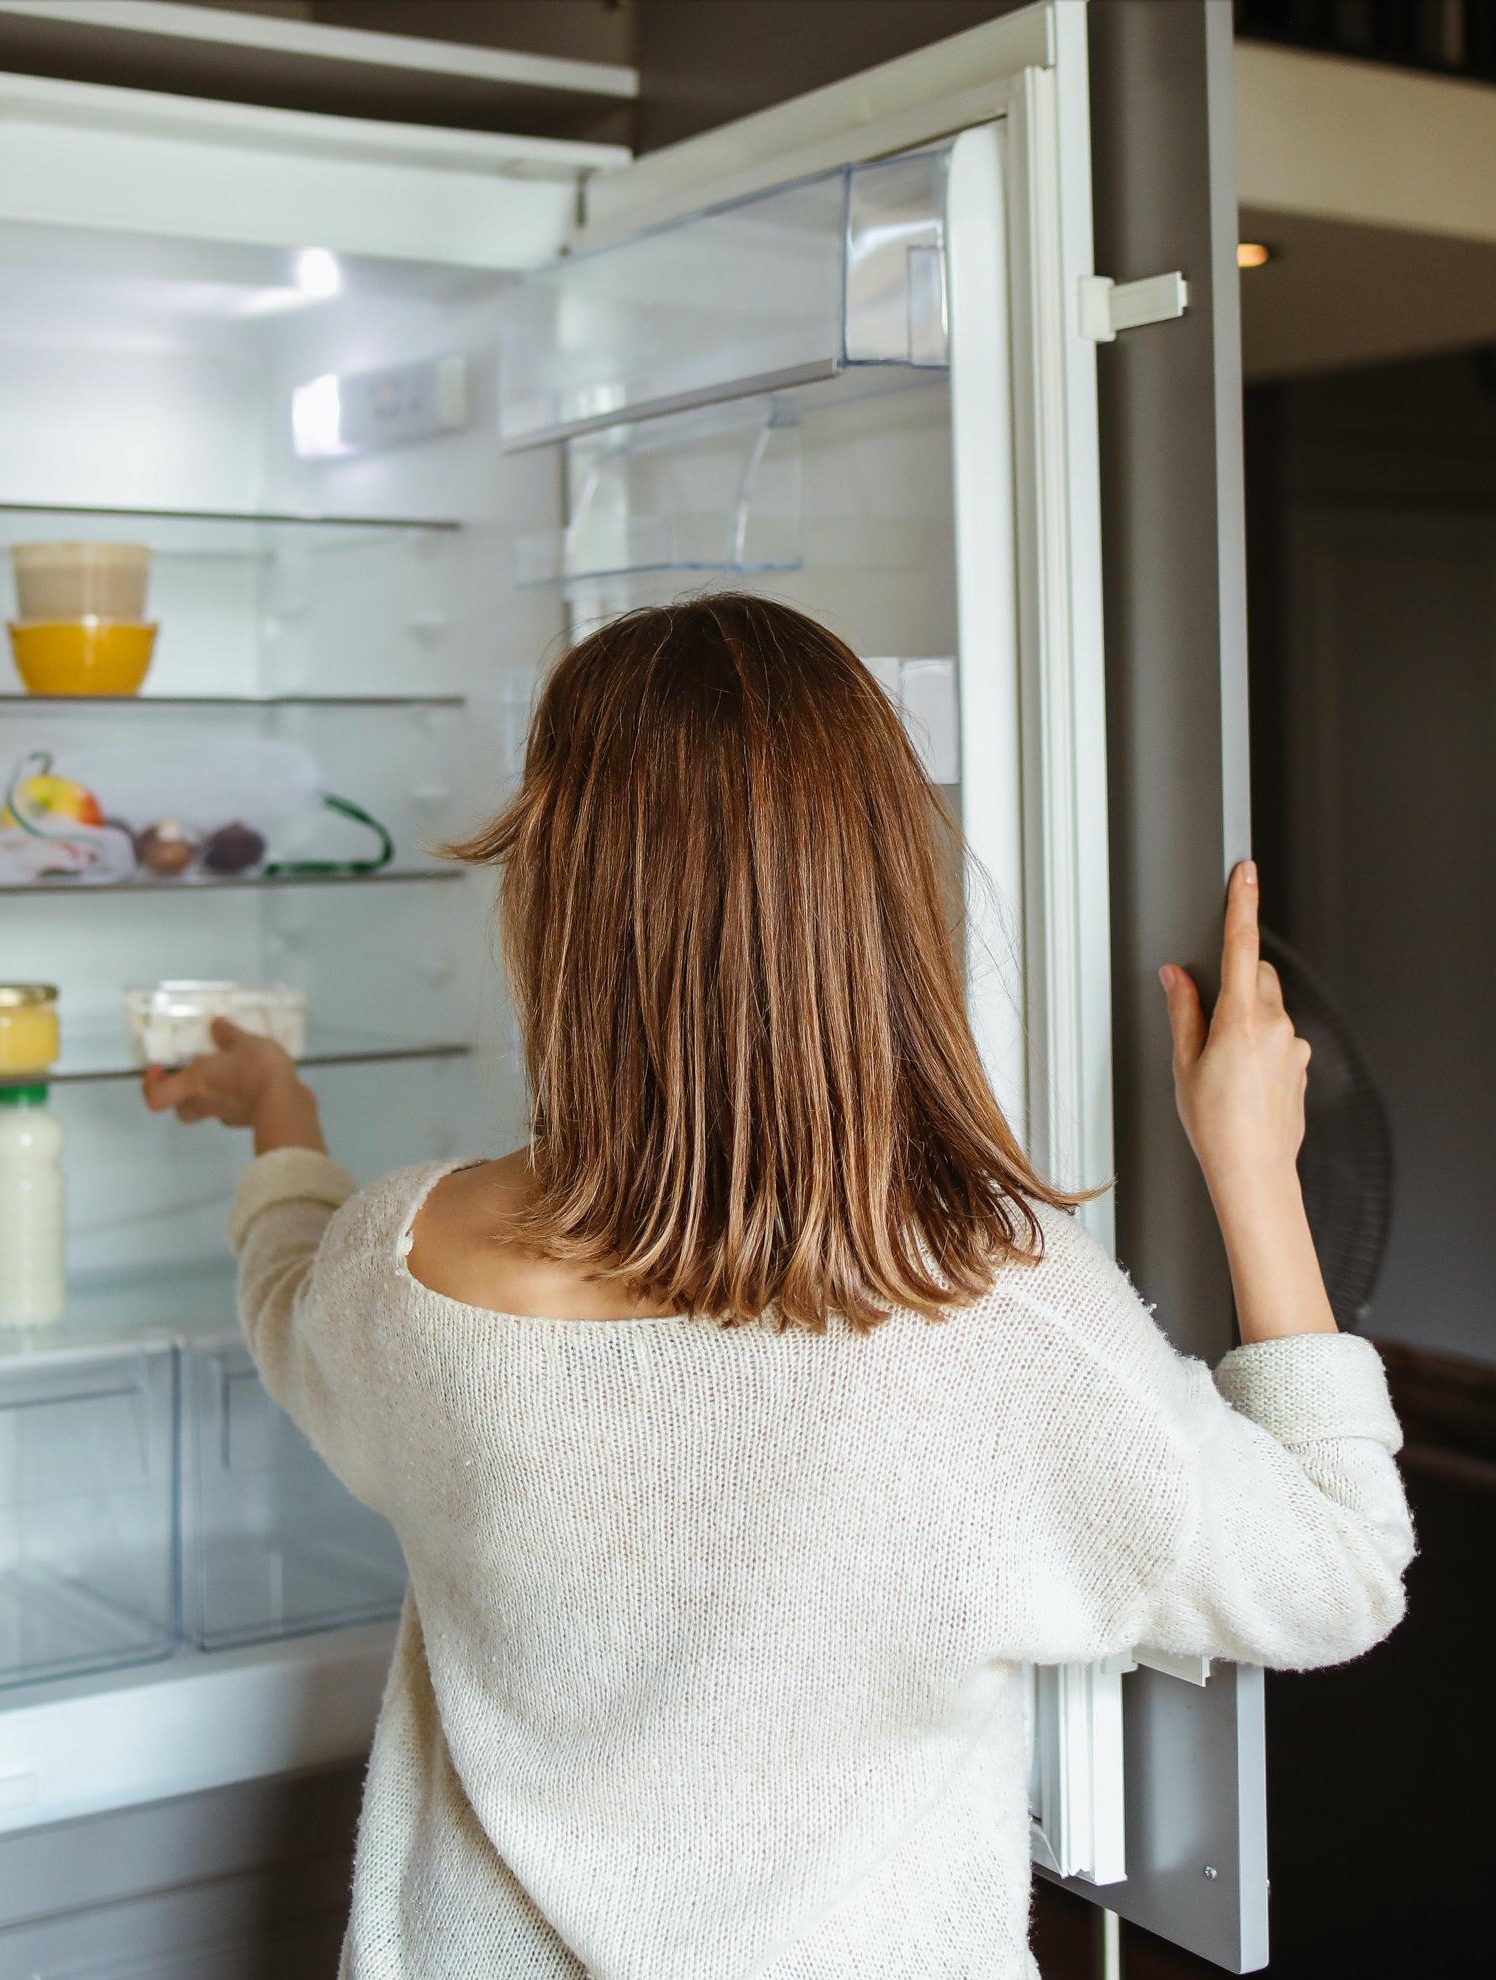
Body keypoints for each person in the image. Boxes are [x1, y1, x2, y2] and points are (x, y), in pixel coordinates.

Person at [144, 594, 1411, 1980]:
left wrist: (277, 1112)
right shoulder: (997, 1318)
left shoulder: (405, 1267)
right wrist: (1251, 1166)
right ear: (877, 894)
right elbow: (1335, 1575)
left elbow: (289, 1297)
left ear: (551, 900)